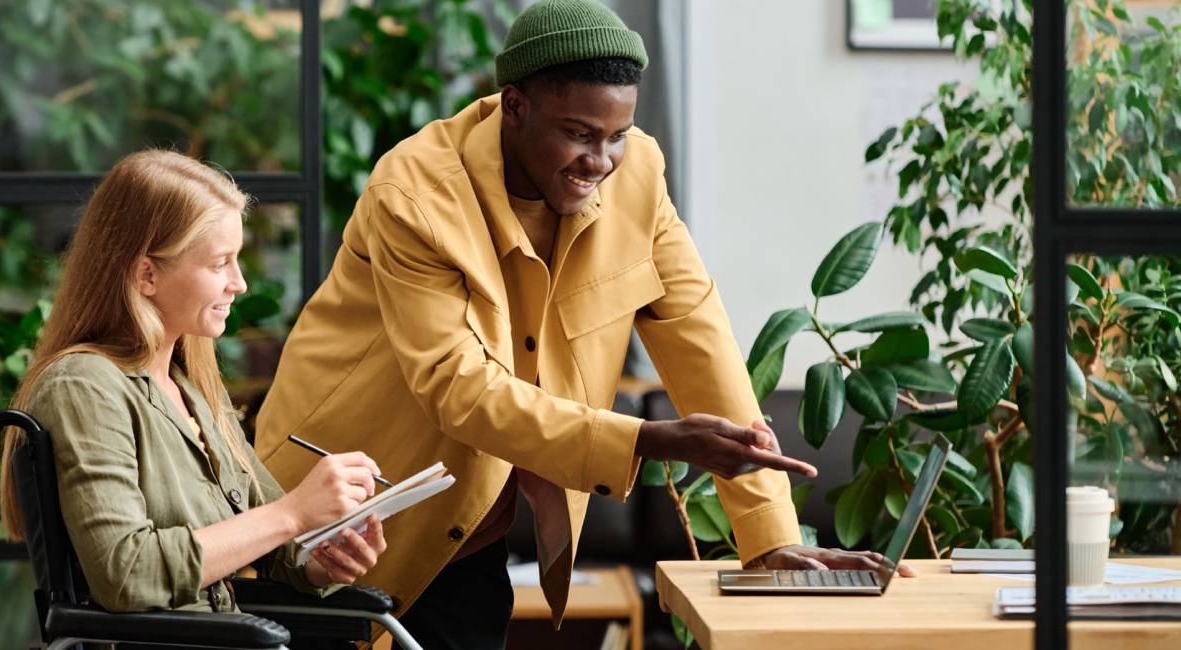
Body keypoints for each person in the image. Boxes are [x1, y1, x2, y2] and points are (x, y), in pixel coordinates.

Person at [256, 0, 910, 646]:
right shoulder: (416, 193)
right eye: (579, 133)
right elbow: (458, 387)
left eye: (617, 136)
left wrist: (770, 540)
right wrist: (651, 440)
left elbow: (697, 335)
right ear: (515, 106)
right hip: (331, 517)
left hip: (465, 535)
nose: (599, 162)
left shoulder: (638, 175)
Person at [0, 150, 388, 619]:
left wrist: (319, 560)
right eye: (220, 263)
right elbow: (126, 574)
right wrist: (293, 514)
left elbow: (270, 543)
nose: (239, 283)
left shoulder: (191, 386)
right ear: (147, 274)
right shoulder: (83, 386)